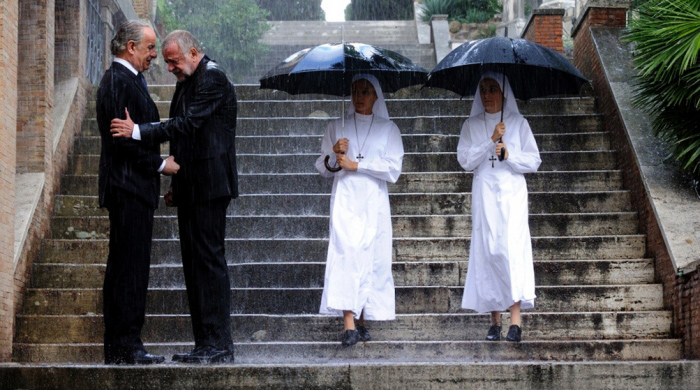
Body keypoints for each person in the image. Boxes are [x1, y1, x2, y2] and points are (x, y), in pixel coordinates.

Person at [110, 30, 238, 364]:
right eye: (166, 62)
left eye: (173, 61)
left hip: (211, 187)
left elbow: (187, 125)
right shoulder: (189, 80)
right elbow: (186, 143)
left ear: (193, 52)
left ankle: (220, 345)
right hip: (192, 187)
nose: (169, 68)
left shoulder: (213, 78)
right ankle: (204, 344)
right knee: (194, 267)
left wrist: (138, 131)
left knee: (209, 263)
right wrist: (176, 186)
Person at [97, 20, 180, 365]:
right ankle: (126, 345)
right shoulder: (119, 80)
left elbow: (135, 133)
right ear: (130, 47)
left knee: (127, 267)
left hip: (131, 189)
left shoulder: (128, 79)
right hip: (128, 188)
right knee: (129, 269)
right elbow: (123, 141)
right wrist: (162, 166)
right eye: (149, 48)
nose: (153, 56)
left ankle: (122, 344)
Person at [315, 74, 404, 347]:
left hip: (374, 200)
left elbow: (393, 169)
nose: (360, 96)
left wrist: (358, 165)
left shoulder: (389, 129)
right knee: (347, 253)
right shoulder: (337, 126)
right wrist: (334, 153)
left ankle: (363, 318)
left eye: (366, 91)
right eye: (355, 91)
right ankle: (349, 323)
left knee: (371, 255)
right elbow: (323, 167)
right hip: (346, 198)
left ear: (376, 96)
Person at [457, 72, 541, 342]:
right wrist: (490, 140)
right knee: (489, 250)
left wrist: (510, 154)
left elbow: (533, 161)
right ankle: (495, 320)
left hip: (512, 194)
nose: (487, 95)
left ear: (504, 93)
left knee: (509, 250)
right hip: (485, 193)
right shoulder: (471, 124)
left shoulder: (518, 123)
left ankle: (515, 321)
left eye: (493, 89)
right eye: (483, 89)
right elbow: (465, 160)